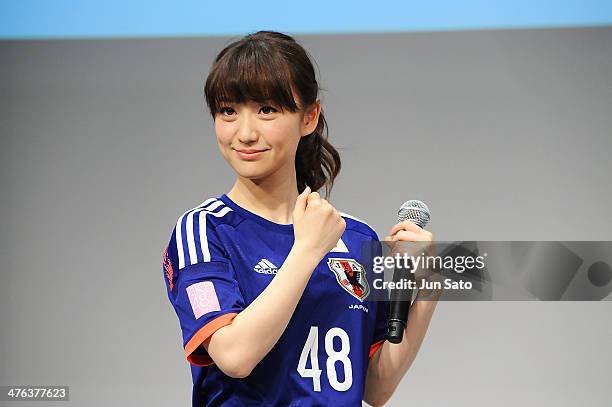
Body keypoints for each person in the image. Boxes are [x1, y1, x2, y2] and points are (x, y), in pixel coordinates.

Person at [162, 30, 438, 406]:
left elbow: (376, 388)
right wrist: (306, 249)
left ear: (309, 117)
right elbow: (234, 356)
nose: (244, 133)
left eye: (267, 110)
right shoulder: (205, 230)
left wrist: (427, 288)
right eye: (228, 111)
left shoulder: (355, 238)